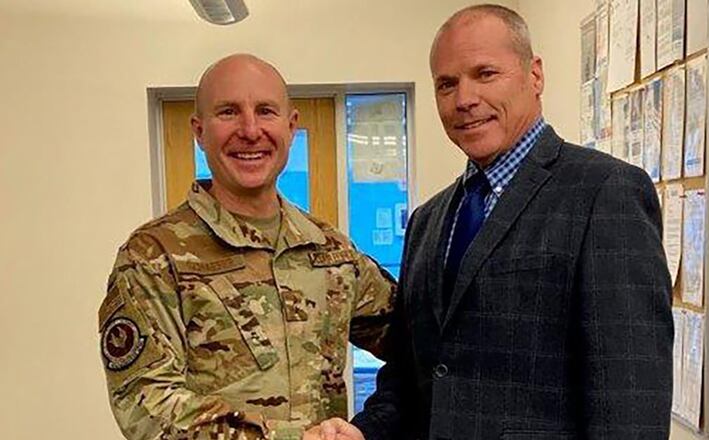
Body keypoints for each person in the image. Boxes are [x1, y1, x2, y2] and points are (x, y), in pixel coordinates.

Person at [319, 4, 674, 440]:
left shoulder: (605, 193)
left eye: (485, 74)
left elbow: (629, 404)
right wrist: (365, 432)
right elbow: (413, 380)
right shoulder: (427, 222)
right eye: (447, 84)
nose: (464, 99)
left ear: (535, 75)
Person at [97, 54, 396, 440]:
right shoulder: (154, 256)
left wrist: (374, 425)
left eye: (266, 111)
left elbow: (418, 343)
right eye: (228, 112)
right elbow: (147, 404)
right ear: (199, 131)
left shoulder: (331, 251)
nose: (251, 130)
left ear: (291, 127)